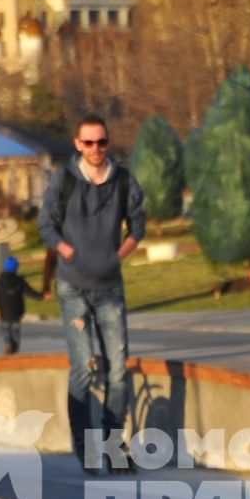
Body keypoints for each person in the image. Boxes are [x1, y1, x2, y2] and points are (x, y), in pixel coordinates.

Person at [40, 115, 146, 469]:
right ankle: (84, 445)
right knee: (84, 368)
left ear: (108, 143)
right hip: (73, 289)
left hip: (110, 288)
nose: (96, 149)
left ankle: (114, 448)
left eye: (101, 142)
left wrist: (120, 254)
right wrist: (65, 250)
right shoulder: (65, 180)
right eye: (89, 143)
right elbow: (46, 224)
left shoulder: (123, 180)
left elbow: (138, 223)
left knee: (117, 371)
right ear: (77, 144)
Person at [0, 254, 27, 354]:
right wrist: (41, 296)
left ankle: (8, 343)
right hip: (17, 312)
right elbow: (28, 291)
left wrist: (2, 301)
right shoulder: (19, 280)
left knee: (6, 330)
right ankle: (15, 350)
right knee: (15, 332)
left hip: (4, 312)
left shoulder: (0, 281)